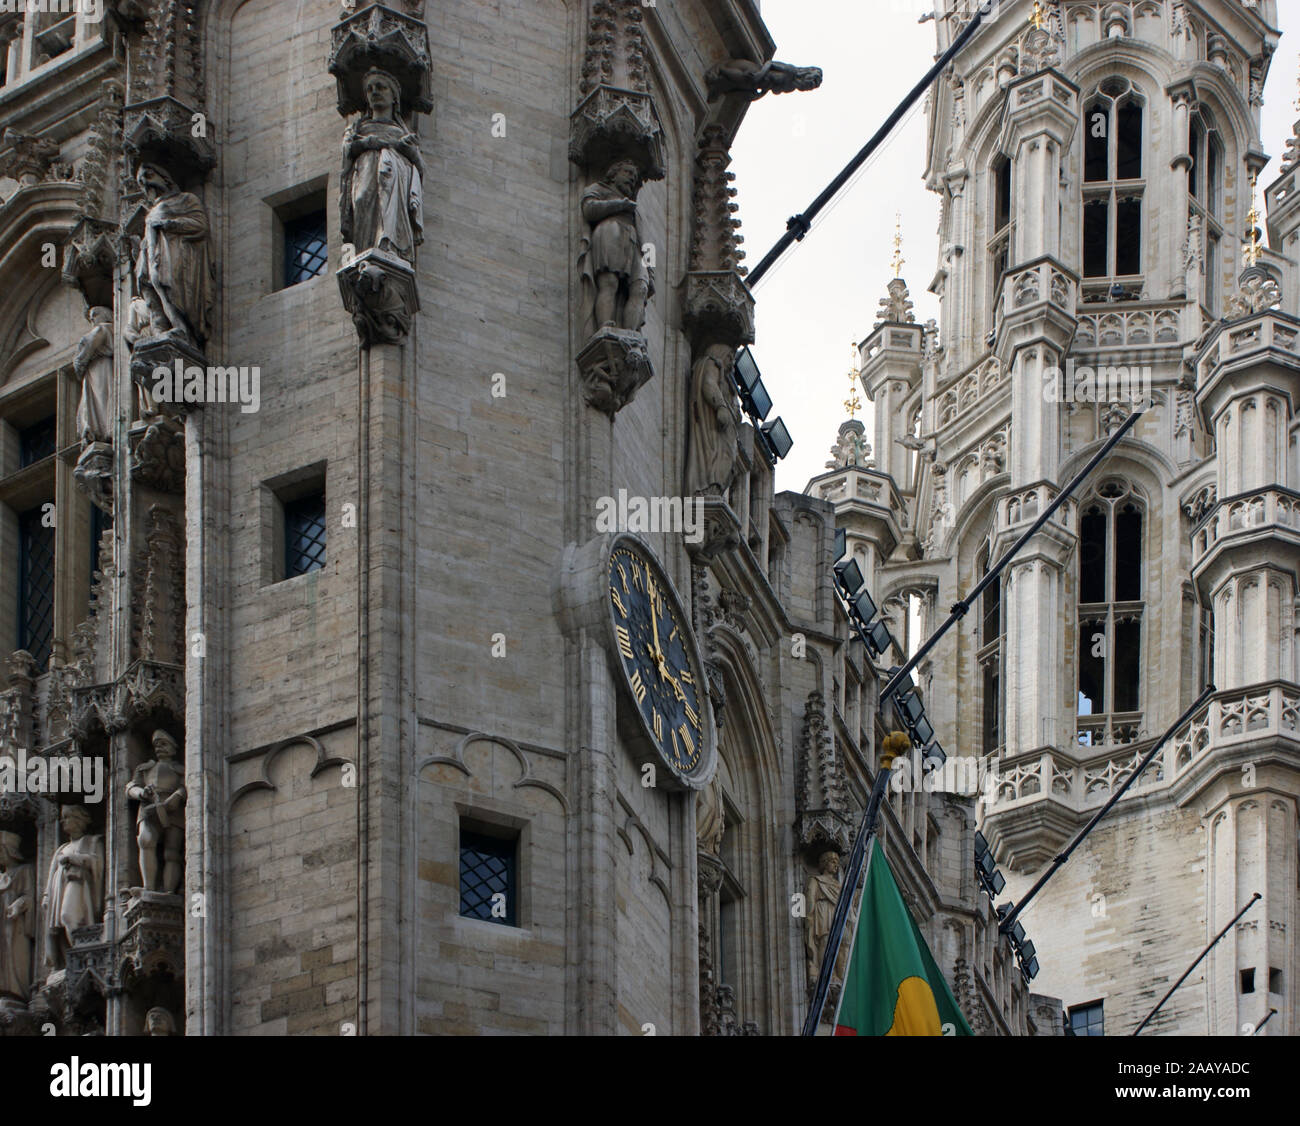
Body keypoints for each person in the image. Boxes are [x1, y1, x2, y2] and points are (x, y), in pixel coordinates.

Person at [340, 67, 425, 262]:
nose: (375, 92)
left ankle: (390, 248)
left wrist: (410, 153)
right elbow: (347, 152)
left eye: (381, 87)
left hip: (394, 178)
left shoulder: (402, 132)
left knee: (389, 208)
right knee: (361, 199)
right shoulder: (357, 128)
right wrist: (367, 143)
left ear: (394, 97)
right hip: (365, 170)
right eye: (369, 89)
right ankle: (364, 251)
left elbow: (420, 169)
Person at [134, 163, 214, 347]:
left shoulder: (186, 199)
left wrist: (170, 224)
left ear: (165, 178)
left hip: (174, 253)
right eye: (140, 181)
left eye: (149, 174)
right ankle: (160, 330)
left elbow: (200, 224)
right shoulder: (153, 208)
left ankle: (182, 329)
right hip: (150, 256)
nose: (145, 182)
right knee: (151, 288)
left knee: (165, 284)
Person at [578, 159, 653, 339]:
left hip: (633, 242)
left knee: (640, 288)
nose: (631, 179)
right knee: (609, 282)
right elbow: (588, 209)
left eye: (634, 176)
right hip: (610, 231)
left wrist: (650, 266)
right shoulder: (600, 188)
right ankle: (604, 326)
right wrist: (619, 205)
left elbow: (646, 241)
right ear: (614, 174)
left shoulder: (634, 207)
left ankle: (631, 333)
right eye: (627, 173)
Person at [42, 805, 104, 973]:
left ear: (79, 820)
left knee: (68, 917)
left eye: (67, 816)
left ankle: (83, 957)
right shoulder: (61, 849)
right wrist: (47, 895)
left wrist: (74, 858)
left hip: (77, 885)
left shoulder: (92, 841)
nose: (63, 821)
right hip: (60, 890)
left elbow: (98, 864)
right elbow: (51, 874)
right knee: (62, 924)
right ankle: (71, 959)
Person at [126, 730, 187, 894]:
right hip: (149, 808)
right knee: (145, 840)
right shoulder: (145, 769)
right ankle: (149, 887)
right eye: (156, 745)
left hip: (173, 811)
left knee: (171, 851)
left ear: (174, 749)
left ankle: (168, 891)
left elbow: (187, 785)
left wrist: (178, 796)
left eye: (164, 744)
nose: (159, 747)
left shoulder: (181, 769)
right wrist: (142, 793)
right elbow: (131, 787)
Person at [0, 831, 34, 1002]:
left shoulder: (24, 870)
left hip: (15, 925)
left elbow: (30, 896)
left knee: (13, 956)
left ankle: (16, 991)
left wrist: (17, 906)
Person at [74, 306, 114, 445]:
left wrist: (79, 362)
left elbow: (88, 344)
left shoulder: (103, 328)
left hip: (100, 367)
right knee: (103, 397)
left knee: (101, 398)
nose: (92, 319)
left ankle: (102, 430)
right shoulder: (113, 329)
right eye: (90, 317)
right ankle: (105, 428)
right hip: (104, 366)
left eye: (95, 315)